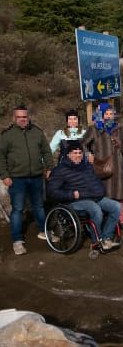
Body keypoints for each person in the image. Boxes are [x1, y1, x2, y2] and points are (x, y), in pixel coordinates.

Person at [47, 141, 120, 250]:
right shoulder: (60, 170)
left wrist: (100, 191)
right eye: (74, 153)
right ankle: (97, 241)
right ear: (68, 155)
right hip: (74, 201)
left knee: (116, 206)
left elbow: (96, 183)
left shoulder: (87, 167)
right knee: (95, 209)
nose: (78, 155)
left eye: (80, 153)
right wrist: (71, 194)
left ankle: (106, 237)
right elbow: (51, 191)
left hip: (92, 196)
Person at [0, 105, 54, 255]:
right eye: (19, 117)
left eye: (25, 117)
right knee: (17, 209)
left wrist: (49, 166)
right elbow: (1, 157)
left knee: (39, 206)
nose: (23, 119)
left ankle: (44, 231)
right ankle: (17, 240)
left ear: (28, 117)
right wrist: (4, 175)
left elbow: (46, 151)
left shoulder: (36, 132)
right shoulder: (7, 135)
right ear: (14, 118)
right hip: (16, 179)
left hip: (36, 177)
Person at [83, 102, 123, 226]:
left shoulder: (119, 129)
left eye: (111, 114)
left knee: (119, 195)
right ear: (101, 115)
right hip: (102, 167)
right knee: (105, 194)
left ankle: (121, 221)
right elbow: (82, 143)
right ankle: (105, 220)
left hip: (117, 166)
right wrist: (88, 154)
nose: (109, 116)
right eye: (106, 114)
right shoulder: (94, 129)